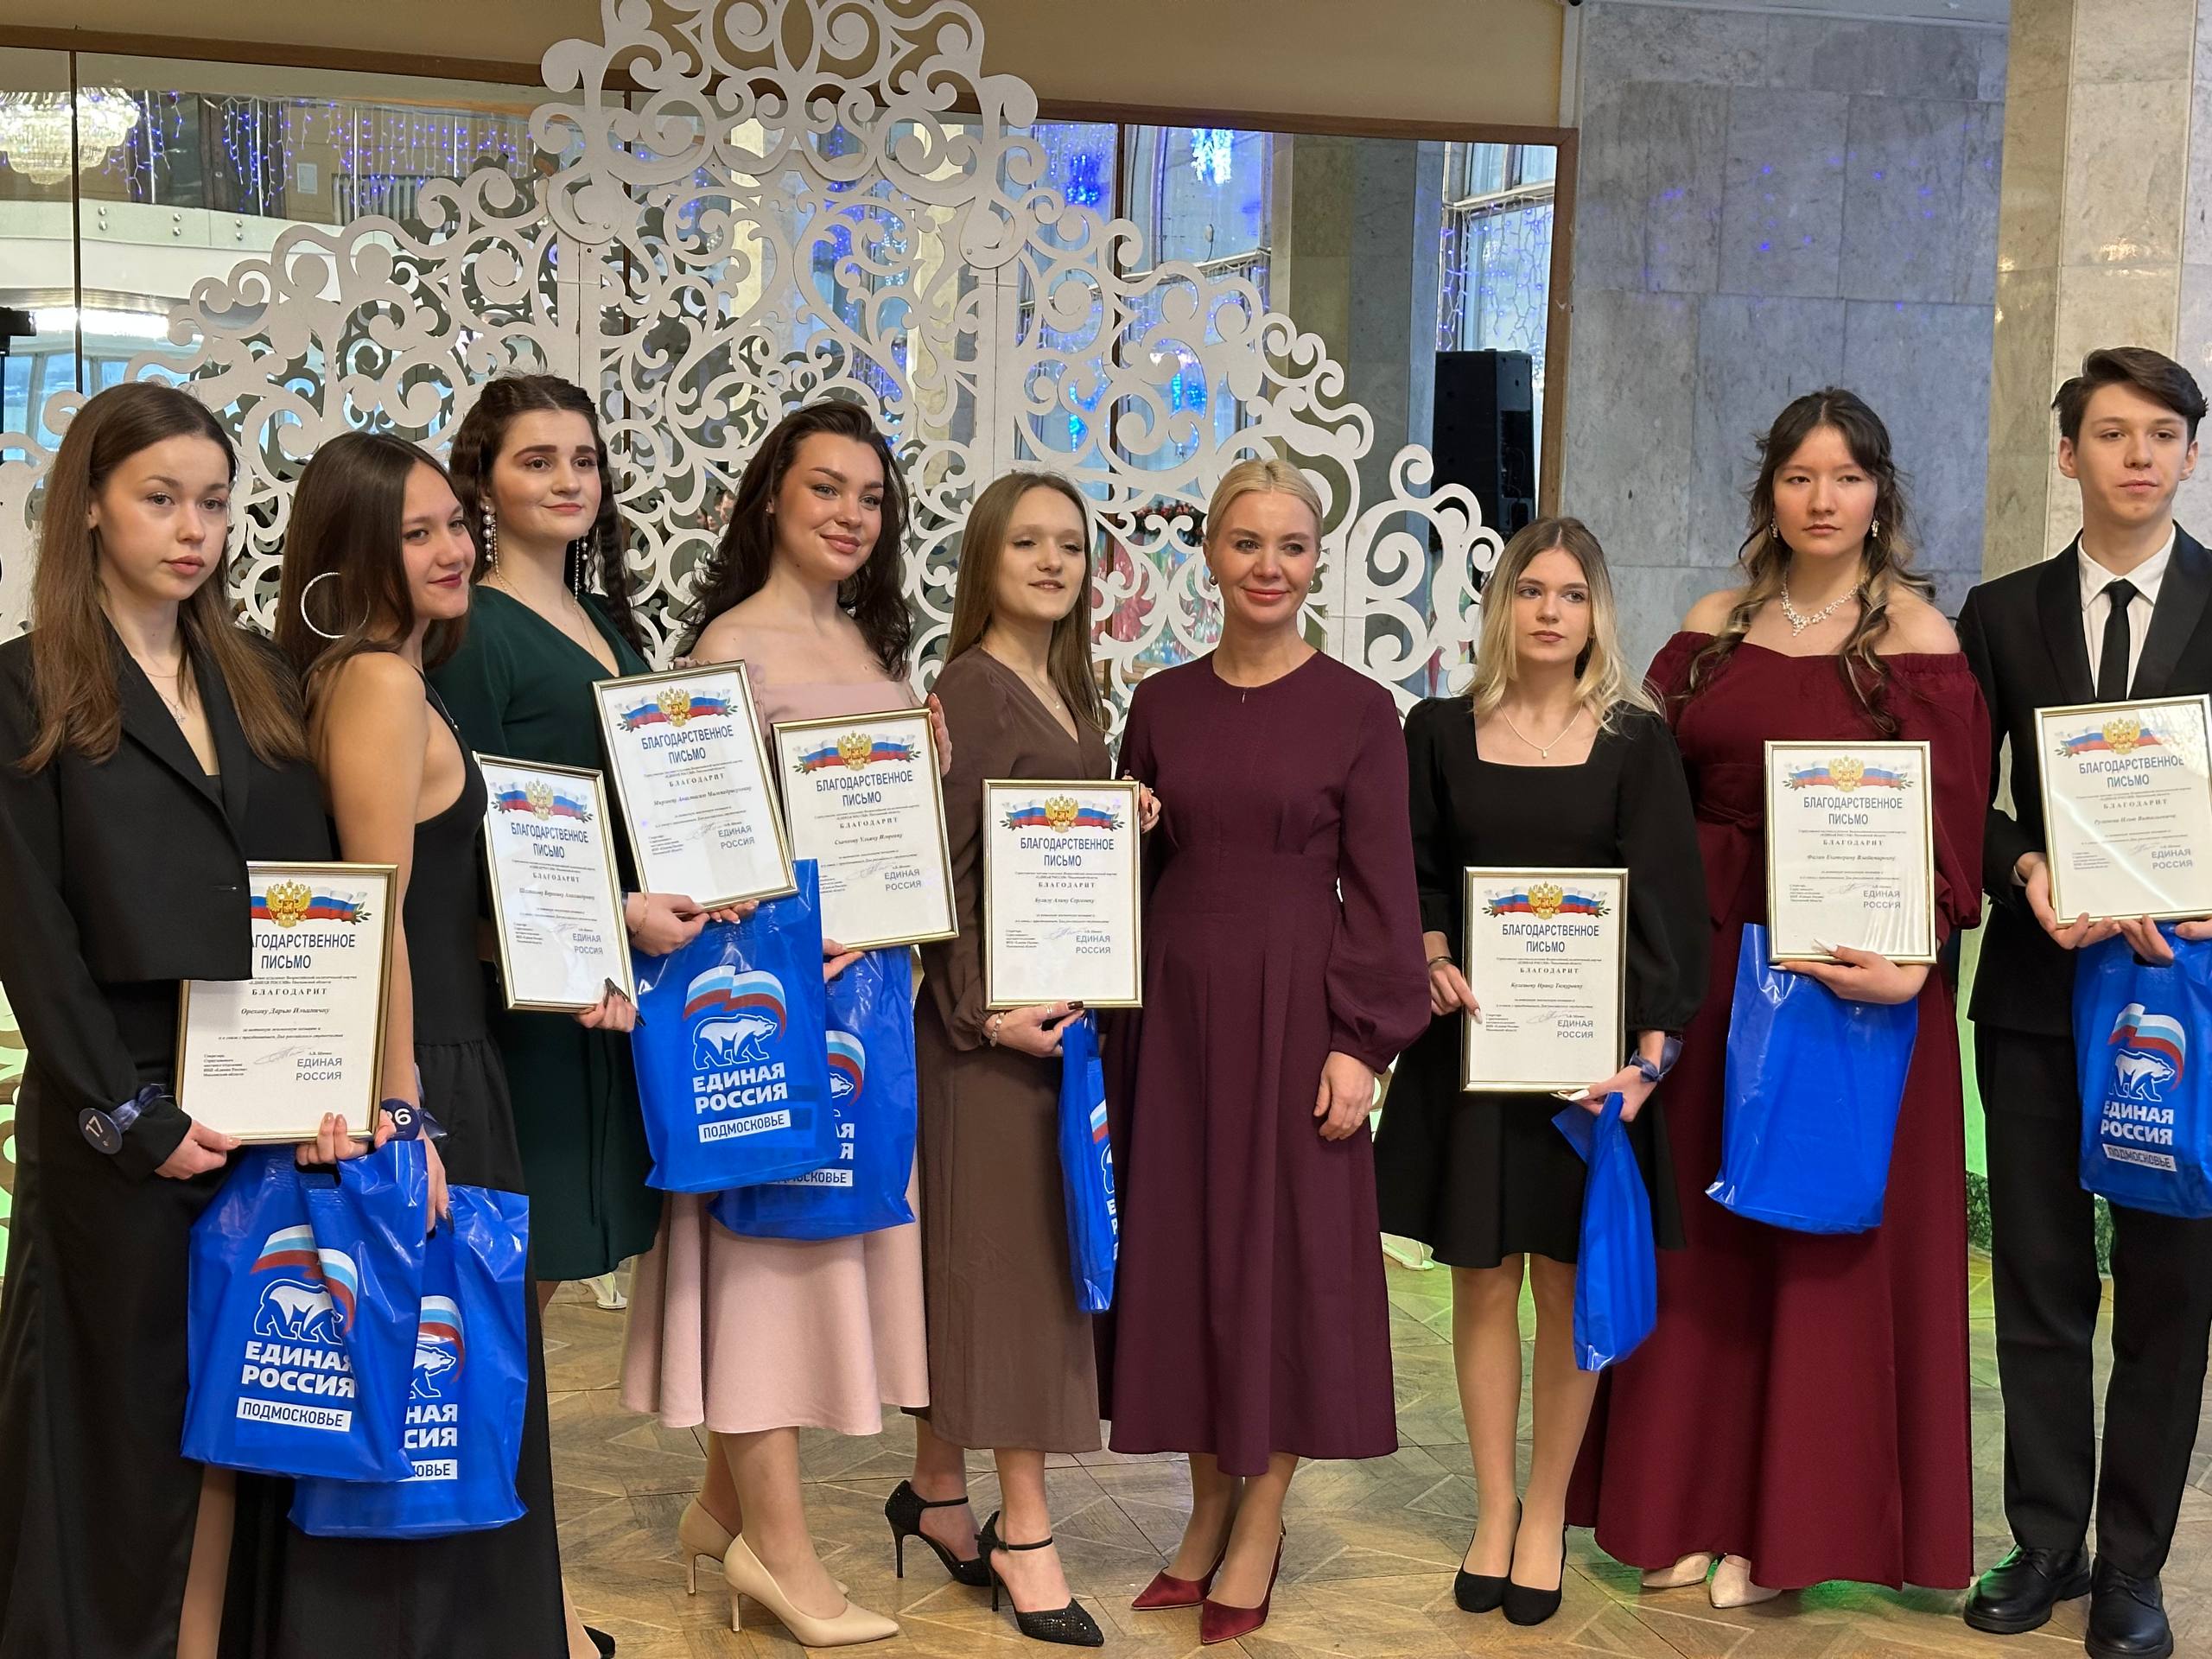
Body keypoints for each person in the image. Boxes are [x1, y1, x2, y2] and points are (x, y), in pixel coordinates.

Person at [1567, 389, 1988, 1604]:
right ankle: (1683, 1507)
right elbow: (1633, 786)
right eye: (1799, 477)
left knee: (1815, 1247)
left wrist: (1920, 954)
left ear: (1879, 496)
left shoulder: (1919, 636)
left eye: (1845, 477)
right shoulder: (1712, 626)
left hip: (1848, 982)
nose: (1822, 499)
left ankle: (1786, 1535)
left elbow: (1951, 823)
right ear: (1769, 493)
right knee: (1702, 1241)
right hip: (1707, 964)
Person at [0, 383, 332, 1659]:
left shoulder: (258, 678)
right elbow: (33, 939)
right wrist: (128, 1115)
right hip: (122, 1113)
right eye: (160, 499)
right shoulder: (23, 687)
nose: (194, 530)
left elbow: (319, 895)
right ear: (89, 506)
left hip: (264, 1103)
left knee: (247, 1425)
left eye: (213, 502)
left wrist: (332, 1082)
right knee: (115, 1439)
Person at [263, 430, 596, 1659]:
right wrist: (404, 1120)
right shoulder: (380, 683)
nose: (454, 547)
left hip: (447, 1057)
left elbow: (446, 904)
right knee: (431, 1402)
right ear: (355, 553)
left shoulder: (399, 674)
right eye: (417, 533)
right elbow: (381, 914)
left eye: (455, 521)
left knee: (438, 1400)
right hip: (425, 1073)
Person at [622, 399, 946, 1649]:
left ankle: (721, 1514)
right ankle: (781, 1555)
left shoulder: (871, 645)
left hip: (870, 1007)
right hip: (769, 1013)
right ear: (770, 497)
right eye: (825, 488)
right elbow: (696, 844)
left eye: (870, 497)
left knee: (817, 1260)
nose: (850, 515)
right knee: (765, 1269)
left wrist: (919, 767)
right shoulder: (728, 650)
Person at [1109, 457, 1431, 1646]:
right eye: (1246, 543)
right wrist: (1132, 826)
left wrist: (1362, 1045)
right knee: (1187, 1256)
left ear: (1316, 562)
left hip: (1299, 1016)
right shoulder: (1159, 702)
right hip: (1172, 1015)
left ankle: (1262, 1519)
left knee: (1284, 1258)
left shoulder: (1359, 710)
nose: (1268, 566)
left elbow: (1387, 894)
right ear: (1208, 553)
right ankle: (1204, 1513)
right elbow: (1109, 871)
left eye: (1291, 546)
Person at [1373, 517, 1706, 1628]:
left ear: (1595, 612)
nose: (1549, 611)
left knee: (1566, 1285)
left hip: (1586, 1071)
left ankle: (1546, 1513)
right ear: (1500, 607)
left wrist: (1649, 1057)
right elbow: (1413, 871)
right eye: (1530, 591)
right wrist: (1428, 953)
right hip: (1473, 1054)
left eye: (1570, 593)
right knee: (1480, 1281)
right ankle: (1491, 1509)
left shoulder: (1635, 742)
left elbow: (1668, 904)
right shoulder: (1438, 730)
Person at [1956, 346, 2212, 1659]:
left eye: (2161, 434)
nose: (2137, 455)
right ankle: (2048, 1539)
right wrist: (2024, 867)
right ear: (2068, 455)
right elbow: (1961, 796)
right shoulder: (2001, 613)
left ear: (2189, 455)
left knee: (2170, 1291)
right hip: (2040, 990)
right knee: (2042, 1277)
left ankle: (2133, 1565)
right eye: (2111, 433)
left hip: (2183, 999)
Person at [887, 469, 1158, 1649]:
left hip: (1047, 1031)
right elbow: (939, 874)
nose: (1052, 562)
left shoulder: (1068, 691)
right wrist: (976, 1012)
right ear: (985, 560)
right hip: (991, 1036)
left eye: (1069, 545)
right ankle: (1028, 1532)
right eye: (1027, 543)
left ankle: (937, 1492)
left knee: (985, 1264)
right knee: (1012, 1279)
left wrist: (1120, 817)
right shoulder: (969, 688)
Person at [434, 374, 708, 1295]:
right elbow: (471, 831)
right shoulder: (475, 629)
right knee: (516, 1266)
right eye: (538, 461)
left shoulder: (595, 620)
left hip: (604, 979)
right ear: (484, 483)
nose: (568, 481)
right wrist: (617, 910)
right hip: (528, 993)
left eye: (583, 462)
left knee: (545, 1267)